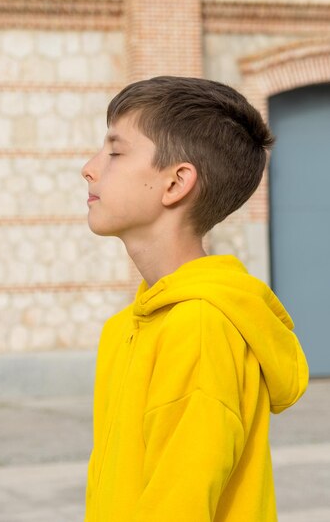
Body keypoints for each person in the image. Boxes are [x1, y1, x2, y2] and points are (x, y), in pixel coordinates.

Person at [81, 76, 309, 521]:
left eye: (115, 151)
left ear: (176, 183)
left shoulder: (201, 328)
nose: (89, 167)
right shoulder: (126, 329)